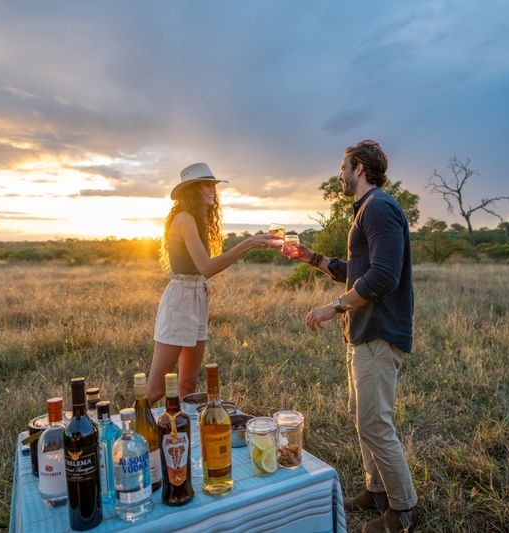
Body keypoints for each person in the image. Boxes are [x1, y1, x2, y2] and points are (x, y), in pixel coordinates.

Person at [288, 140, 418, 532]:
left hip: (379, 332)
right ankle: (376, 491)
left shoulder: (378, 208)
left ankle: (403, 511)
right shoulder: (366, 209)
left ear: (358, 168)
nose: (339, 174)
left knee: (376, 423)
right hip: (363, 333)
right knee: (363, 419)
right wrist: (312, 258)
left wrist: (334, 307)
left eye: (343, 167)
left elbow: (383, 276)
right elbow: (357, 270)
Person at [147, 162, 279, 405]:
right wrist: (248, 244)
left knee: (188, 385)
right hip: (180, 300)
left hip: (196, 295)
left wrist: (201, 283)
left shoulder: (198, 219)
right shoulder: (184, 218)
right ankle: (135, 437)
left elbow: (200, 272)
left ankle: (184, 439)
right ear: (191, 190)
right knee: (156, 390)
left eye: (213, 185)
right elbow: (206, 267)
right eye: (206, 185)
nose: (212, 190)